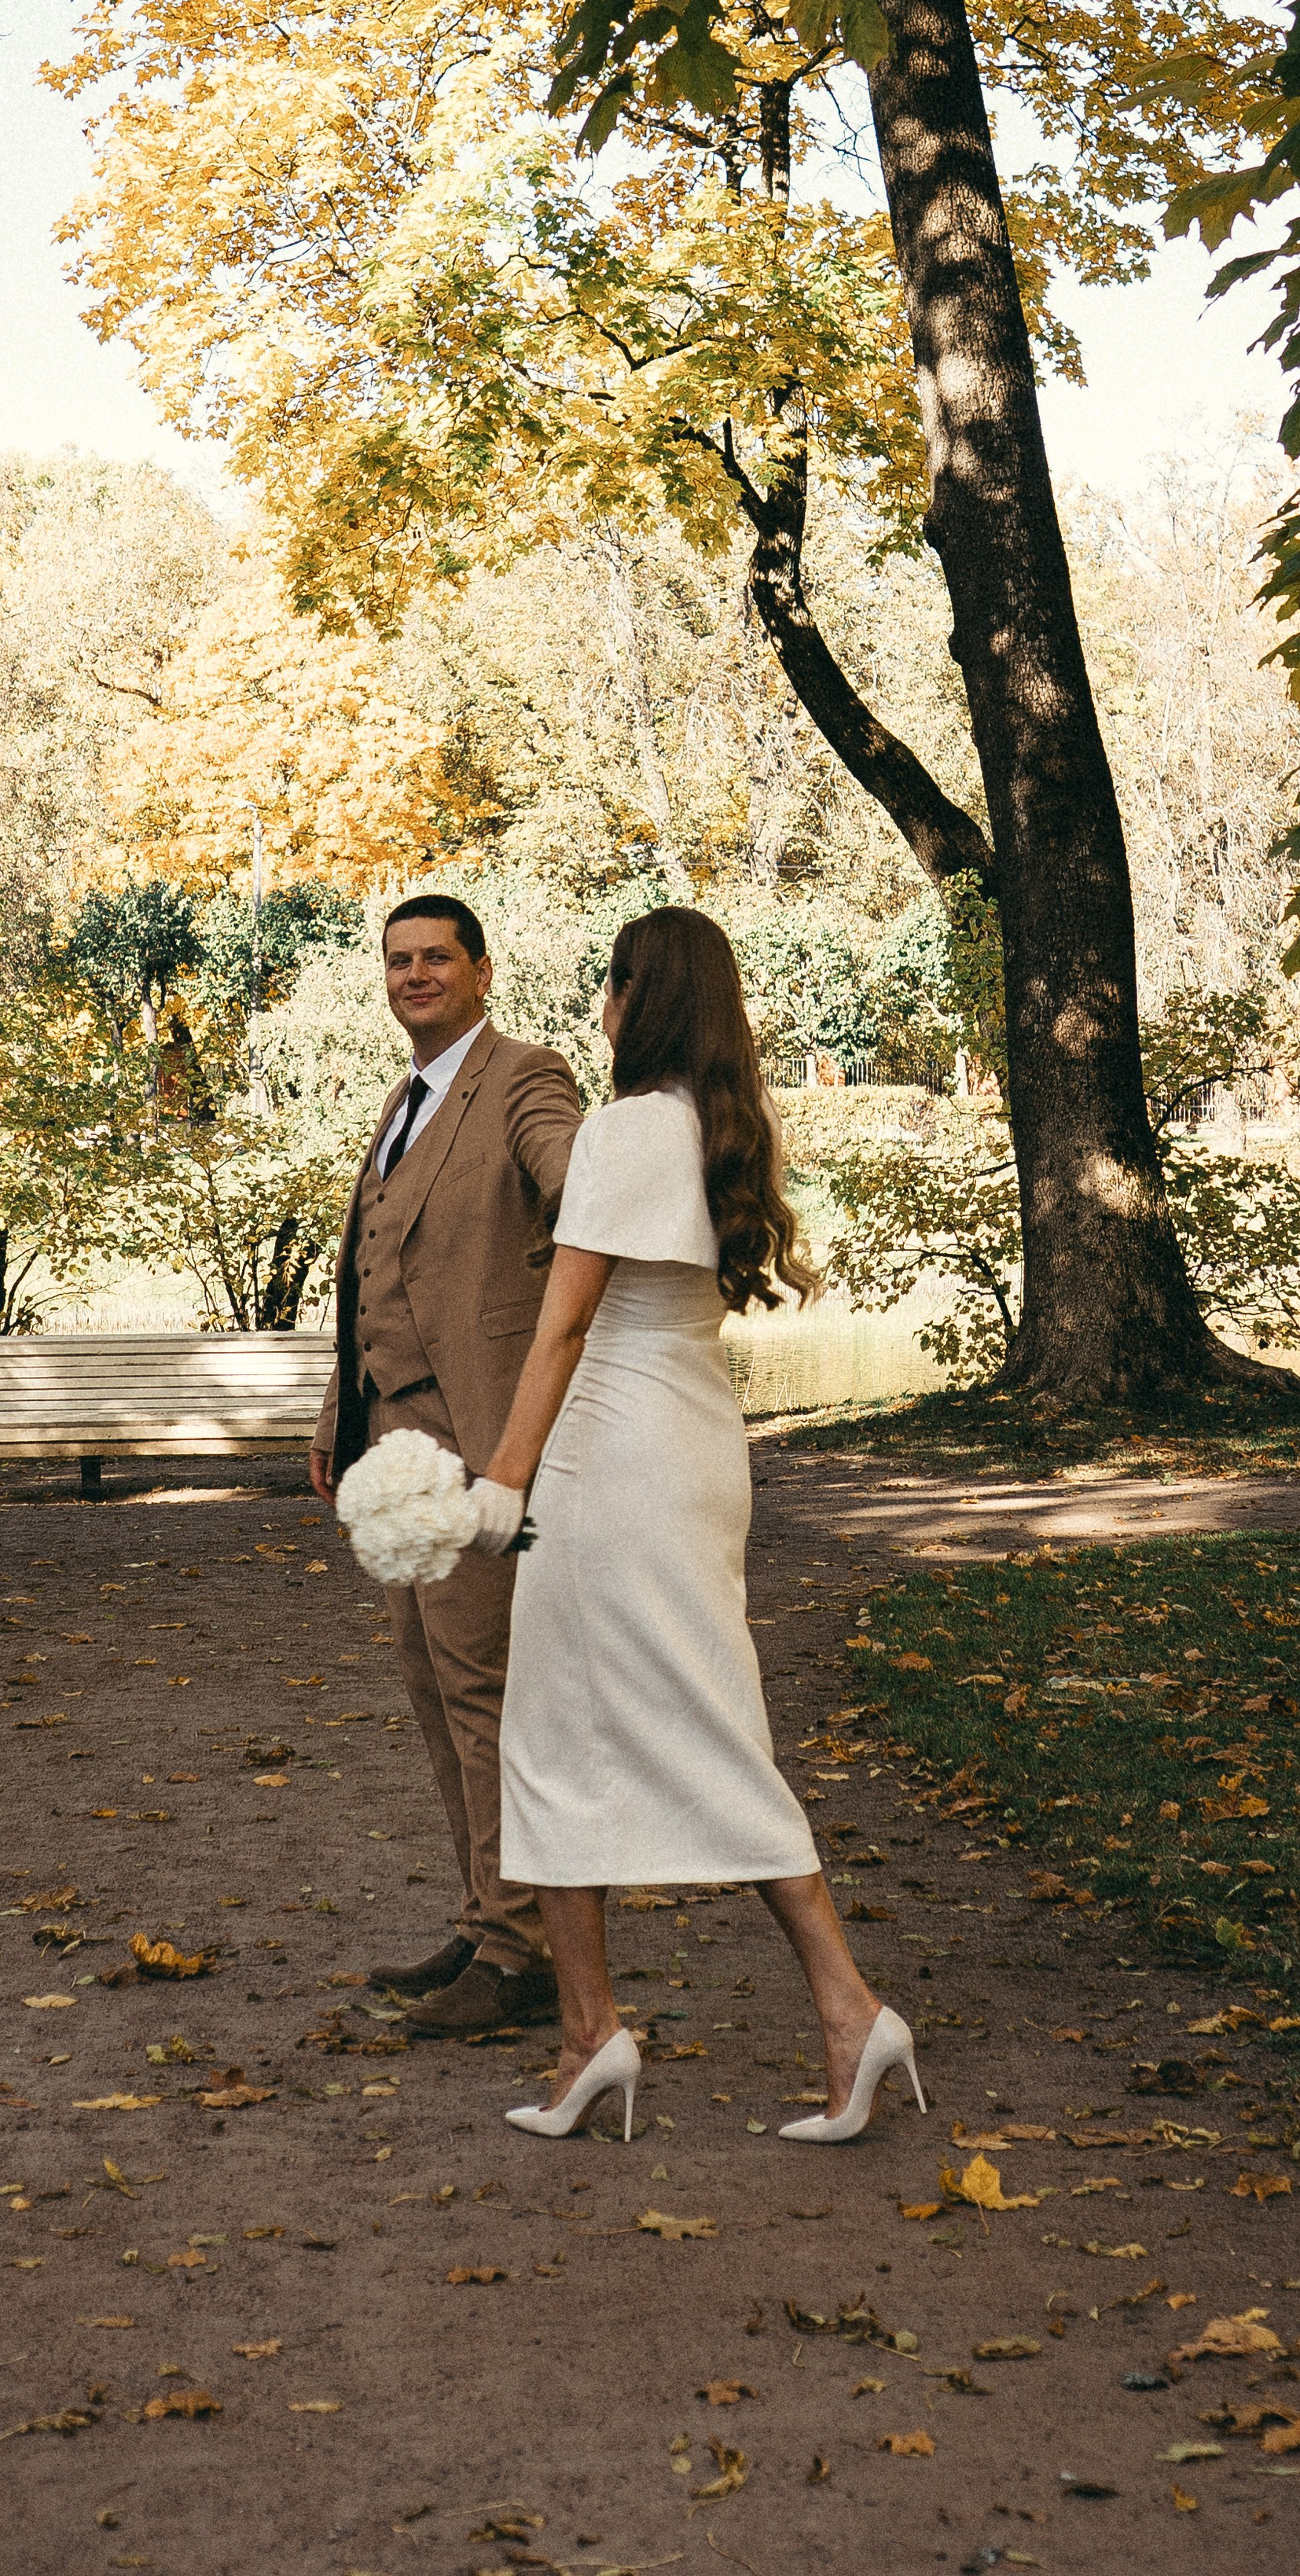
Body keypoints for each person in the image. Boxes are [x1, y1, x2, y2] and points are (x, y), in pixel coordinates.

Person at [463, 906, 924, 2143]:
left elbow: (564, 1328)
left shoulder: (621, 1133)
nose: (599, 1008)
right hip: (690, 1441)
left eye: (610, 986)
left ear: (638, 1000)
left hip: (611, 1460)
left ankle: (840, 2009)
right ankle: (590, 2035)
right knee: (587, 1724)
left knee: (647, 1729)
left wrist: (500, 1483)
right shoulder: (720, 1132)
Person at [310, 893, 582, 2037]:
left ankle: (525, 1958)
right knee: (435, 1692)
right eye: (399, 961)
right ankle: (486, 1922)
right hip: (400, 1451)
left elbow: (575, 1181)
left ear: (481, 972)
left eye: (436, 959)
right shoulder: (402, 1101)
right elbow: (378, 1280)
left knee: (487, 1698)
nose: (415, 975)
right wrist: (340, 1409)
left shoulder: (524, 1076)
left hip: (482, 1449)